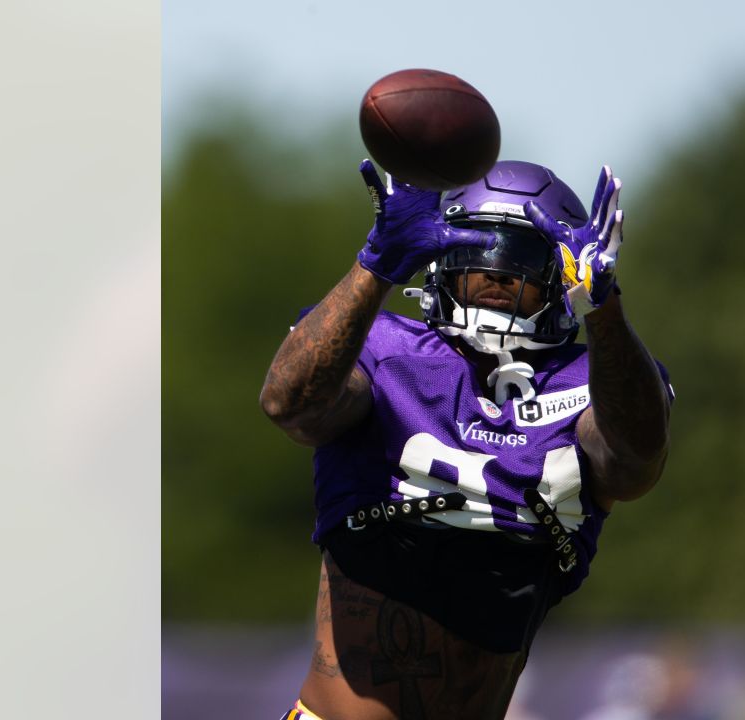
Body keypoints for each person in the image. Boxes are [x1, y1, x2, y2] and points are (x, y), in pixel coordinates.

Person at [260, 158, 674, 720]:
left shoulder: (593, 380)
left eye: (521, 261)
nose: (499, 276)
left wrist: (605, 310)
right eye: (478, 254)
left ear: (563, 275)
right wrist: (375, 266)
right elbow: (289, 404)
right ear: (441, 260)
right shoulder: (385, 347)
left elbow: (635, 462)